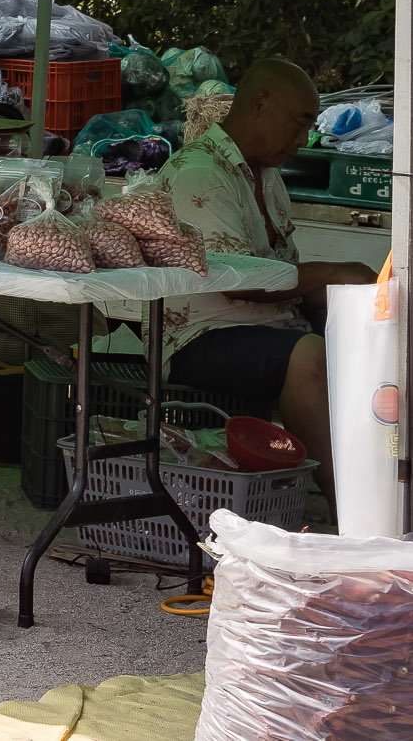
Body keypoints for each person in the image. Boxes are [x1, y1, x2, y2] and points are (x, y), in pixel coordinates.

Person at [151, 57, 373, 500]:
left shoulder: (266, 175)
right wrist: (334, 273)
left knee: (374, 326)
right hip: (200, 336)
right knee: (308, 354)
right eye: (299, 123)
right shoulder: (200, 172)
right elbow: (237, 279)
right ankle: (345, 501)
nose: (304, 138)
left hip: (268, 323)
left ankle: (381, 482)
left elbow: (283, 270)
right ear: (260, 104)